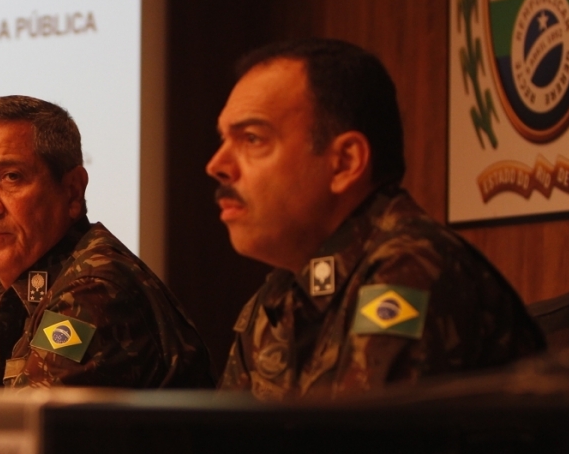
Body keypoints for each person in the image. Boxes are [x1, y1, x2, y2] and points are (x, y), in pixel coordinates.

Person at [207, 38, 545, 401]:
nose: (217, 166)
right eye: (224, 139)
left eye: (253, 139)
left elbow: (359, 453)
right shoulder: (279, 293)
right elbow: (225, 450)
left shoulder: (410, 267)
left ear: (346, 162)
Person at [0, 95, 213, 390]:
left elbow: (27, 432)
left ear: (72, 191)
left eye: (11, 177)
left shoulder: (94, 289)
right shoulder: (1, 292)